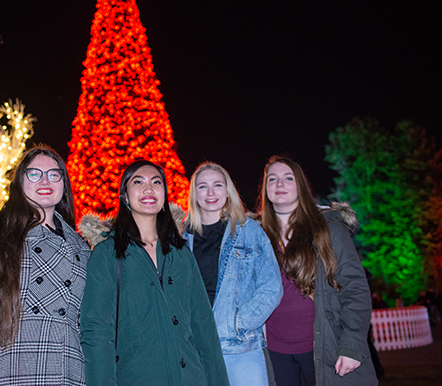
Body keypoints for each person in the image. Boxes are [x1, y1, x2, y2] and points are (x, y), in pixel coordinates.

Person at [0, 145, 91, 386]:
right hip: (9, 372)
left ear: (64, 184)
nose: (45, 180)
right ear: (19, 182)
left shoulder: (83, 248)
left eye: (54, 174)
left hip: (69, 373)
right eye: (34, 173)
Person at [79, 160, 229, 386]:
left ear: (164, 195)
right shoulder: (106, 255)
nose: (149, 189)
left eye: (156, 182)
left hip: (191, 378)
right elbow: (97, 332)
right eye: (138, 182)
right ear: (125, 197)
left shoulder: (182, 254)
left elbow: (204, 329)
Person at [258, 155, 377, 386]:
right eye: (272, 179)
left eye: (288, 178)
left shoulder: (328, 228)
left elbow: (355, 288)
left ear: (300, 186)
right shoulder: (256, 234)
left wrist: (352, 344)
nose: (279, 184)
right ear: (265, 189)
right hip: (275, 352)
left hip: (322, 348)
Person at [182, 162, 283, 385]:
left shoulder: (249, 231)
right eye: (202, 186)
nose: (210, 193)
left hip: (240, 349)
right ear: (194, 193)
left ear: (227, 191)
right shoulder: (180, 238)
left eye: (217, 185)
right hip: (195, 350)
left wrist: (238, 322)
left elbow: (272, 287)